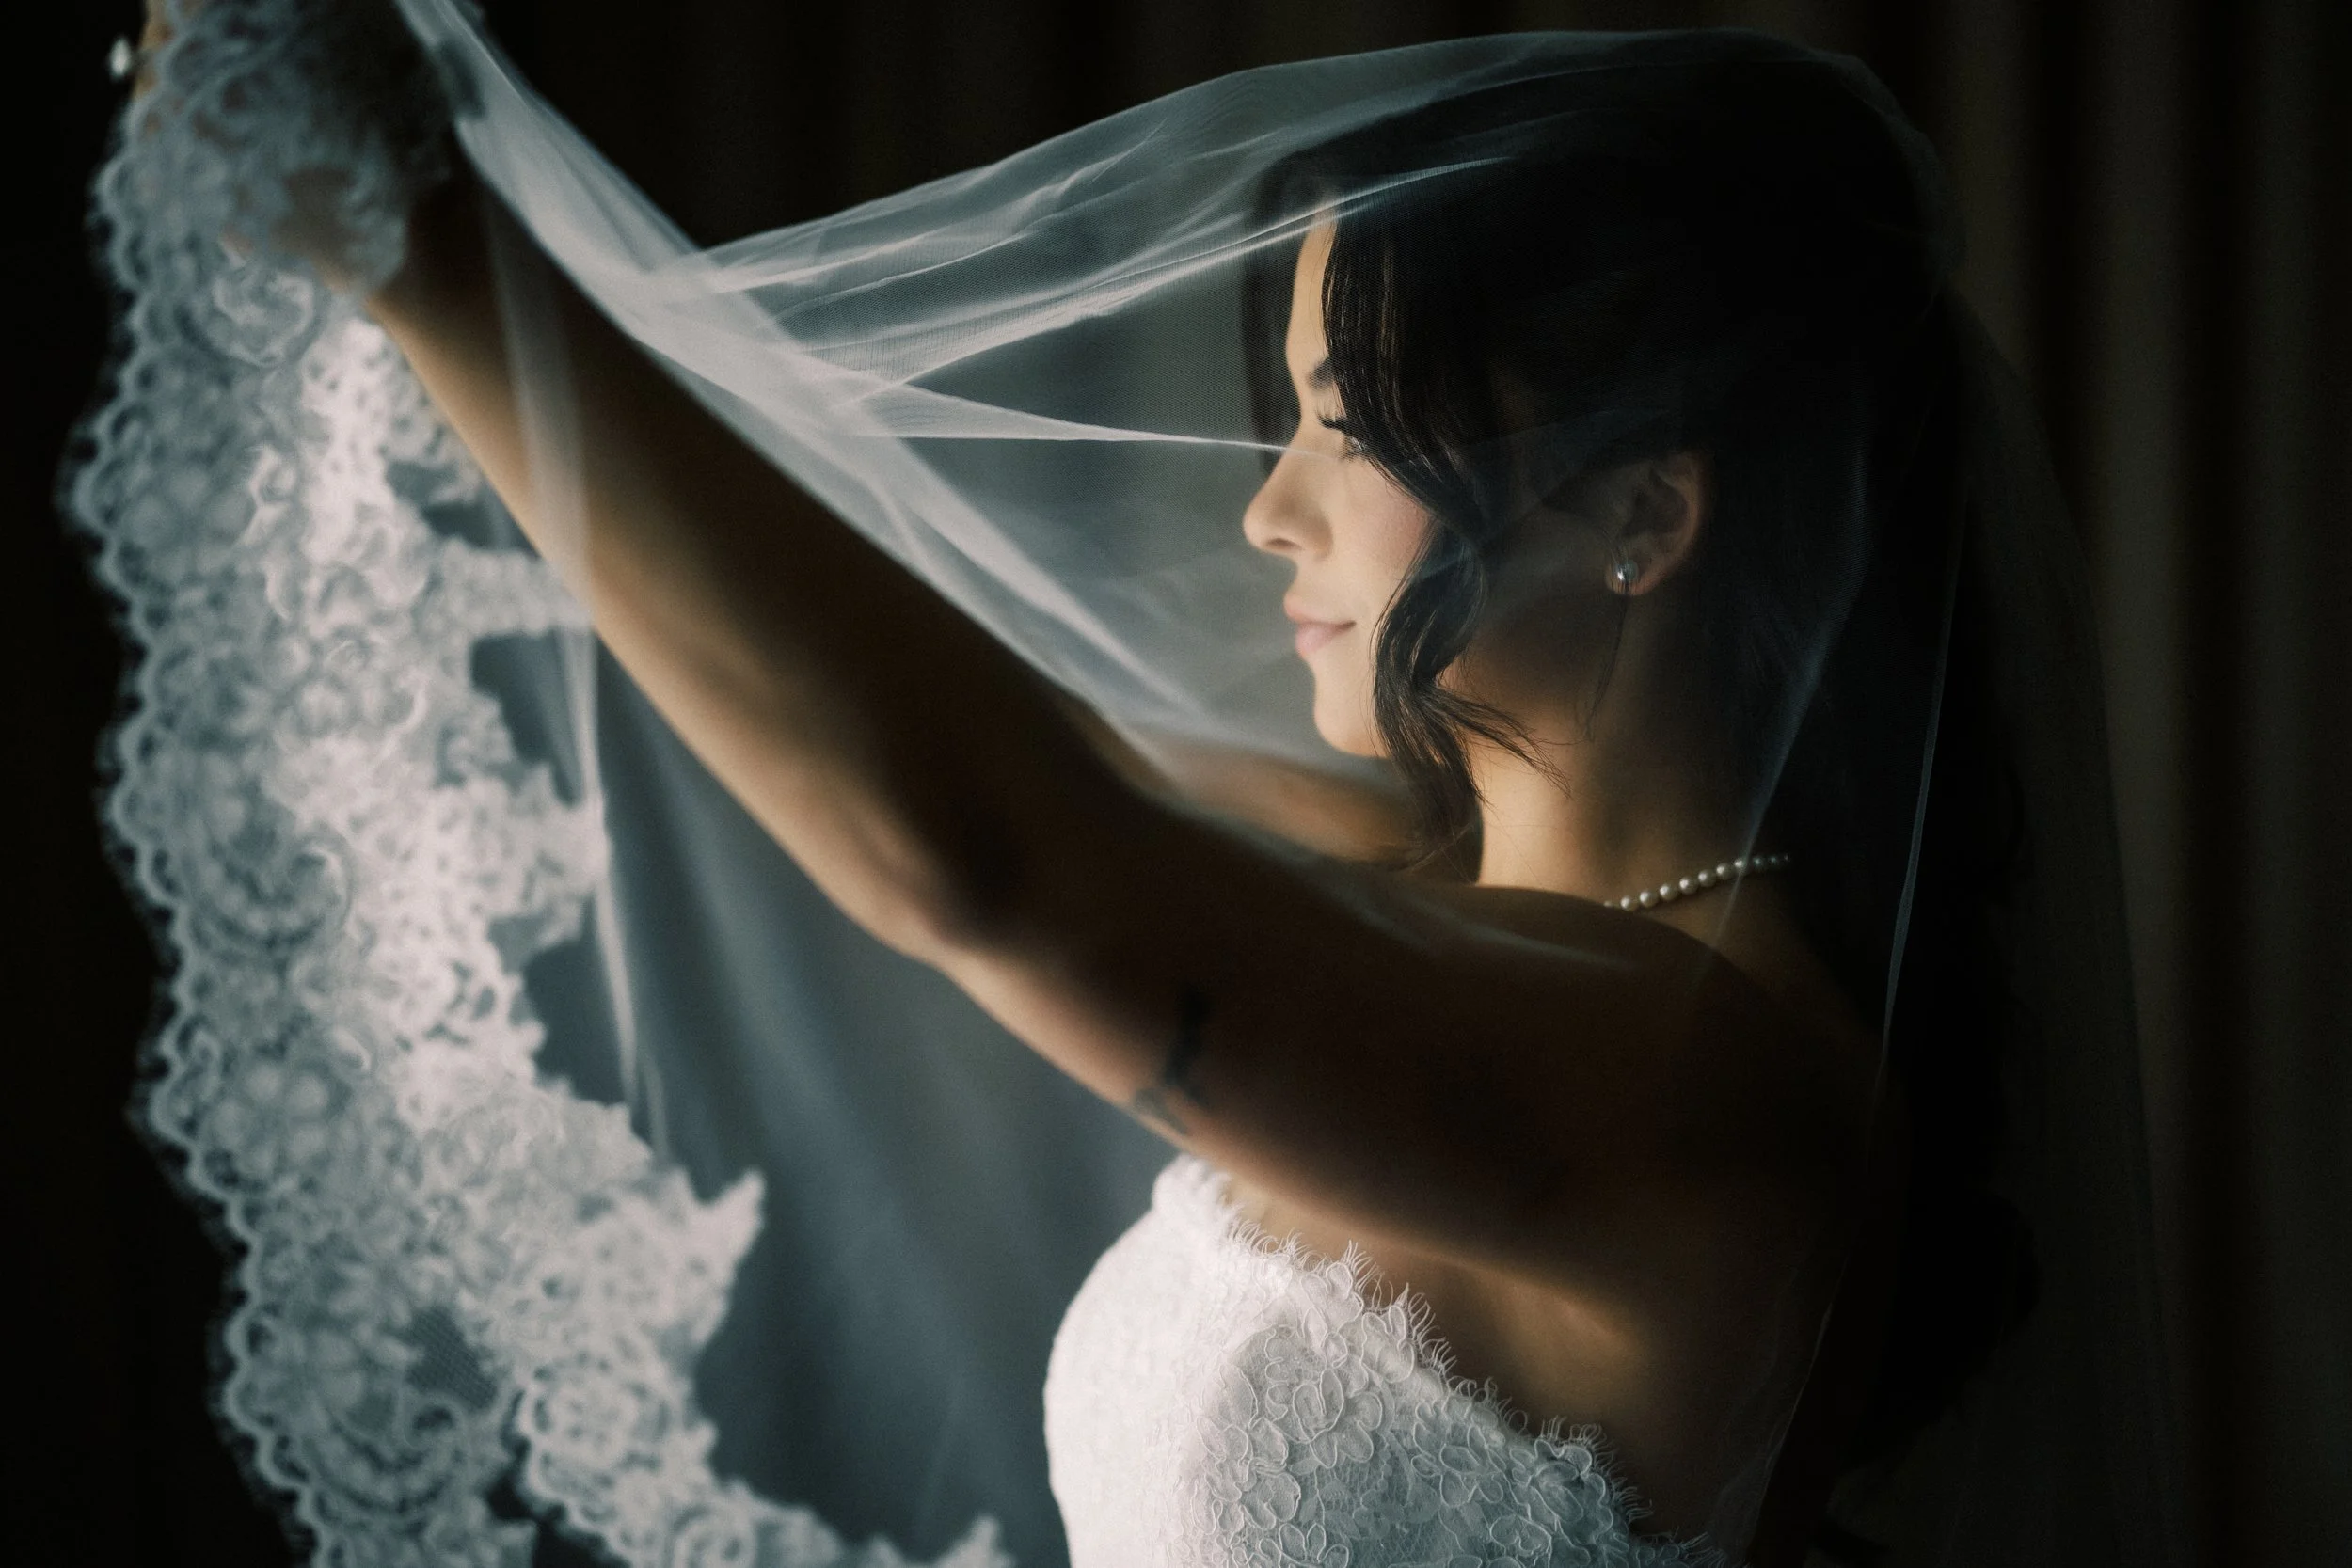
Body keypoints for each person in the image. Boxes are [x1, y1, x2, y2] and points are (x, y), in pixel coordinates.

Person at [100, 8, 2179, 1566]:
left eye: (1345, 432)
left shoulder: (1697, 1085)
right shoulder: (1430, 879)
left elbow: (995, 857)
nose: (1269, 514)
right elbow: (985, 754)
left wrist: (431, 248)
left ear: (1642, 511)